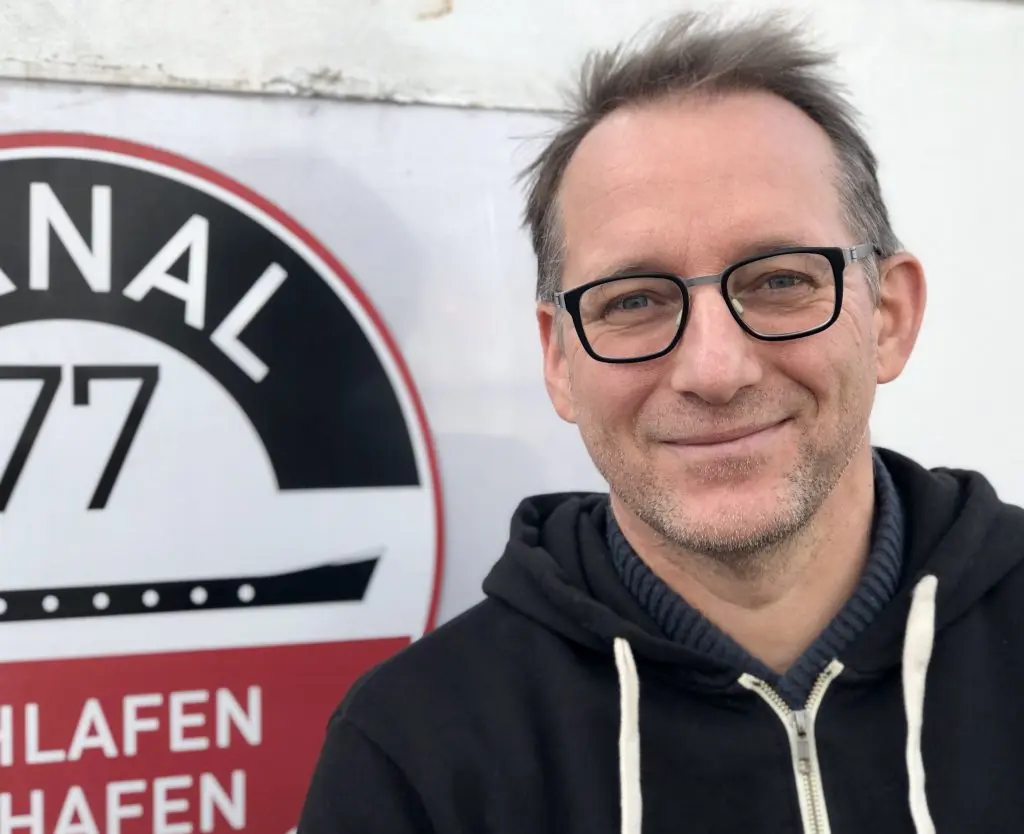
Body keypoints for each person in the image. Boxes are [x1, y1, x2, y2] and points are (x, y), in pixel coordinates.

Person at [297, 11, 1024, 834]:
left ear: (888, 315)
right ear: (560, 360)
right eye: (634, 301)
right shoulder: (414, 753)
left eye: (780, 281)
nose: (714, 370)